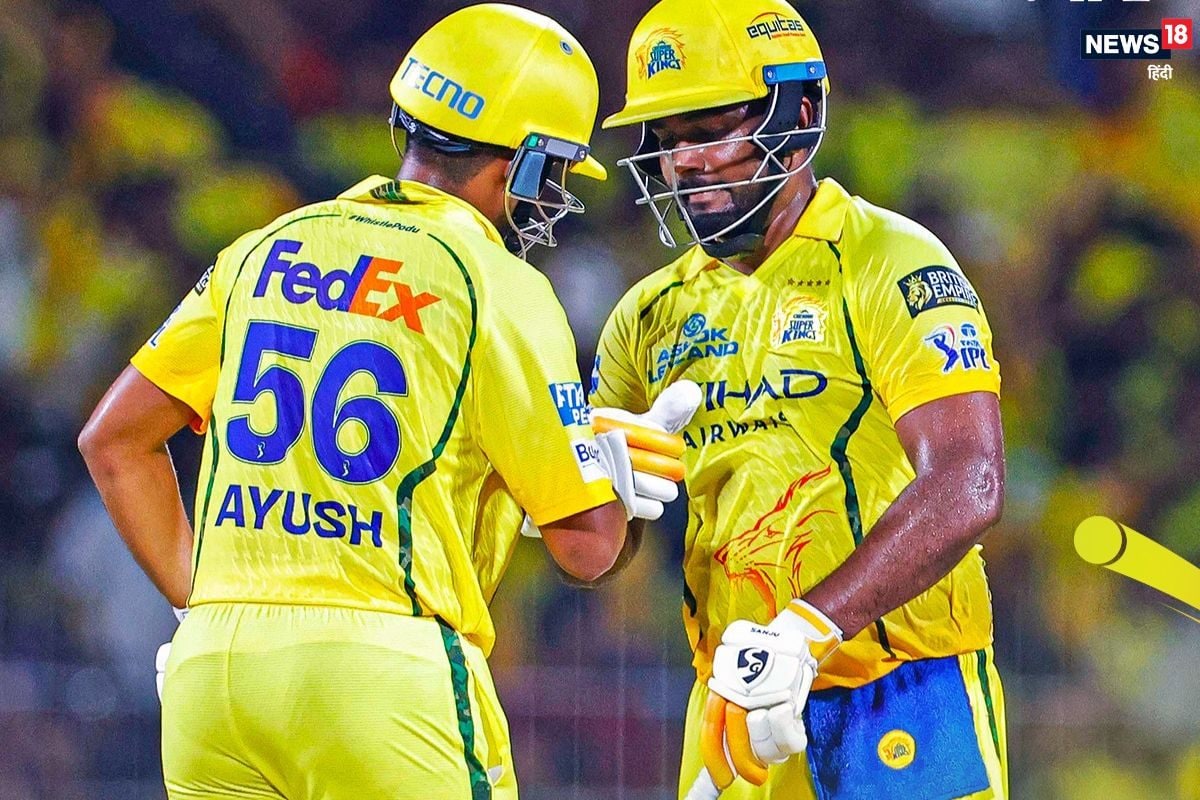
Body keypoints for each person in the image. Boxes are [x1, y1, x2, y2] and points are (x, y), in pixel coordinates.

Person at [77, 5, 697, 799]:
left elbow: (113, 440)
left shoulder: (264, 246)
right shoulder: (499, 285)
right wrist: (618, 490)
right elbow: (586, 548)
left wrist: (203, 606)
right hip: (383, 678)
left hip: (216, 678)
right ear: (527, 164)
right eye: (558, 173)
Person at [594, 1, 1008, 798]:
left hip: (903, 694)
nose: (685, 163)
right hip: (734, 698)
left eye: (709, 130)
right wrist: (595, 487)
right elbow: (598, 556)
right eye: (667, 140)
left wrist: (807, 629)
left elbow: (970, 480)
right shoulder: (646, 315)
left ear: (800, 114)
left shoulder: (890, 260)